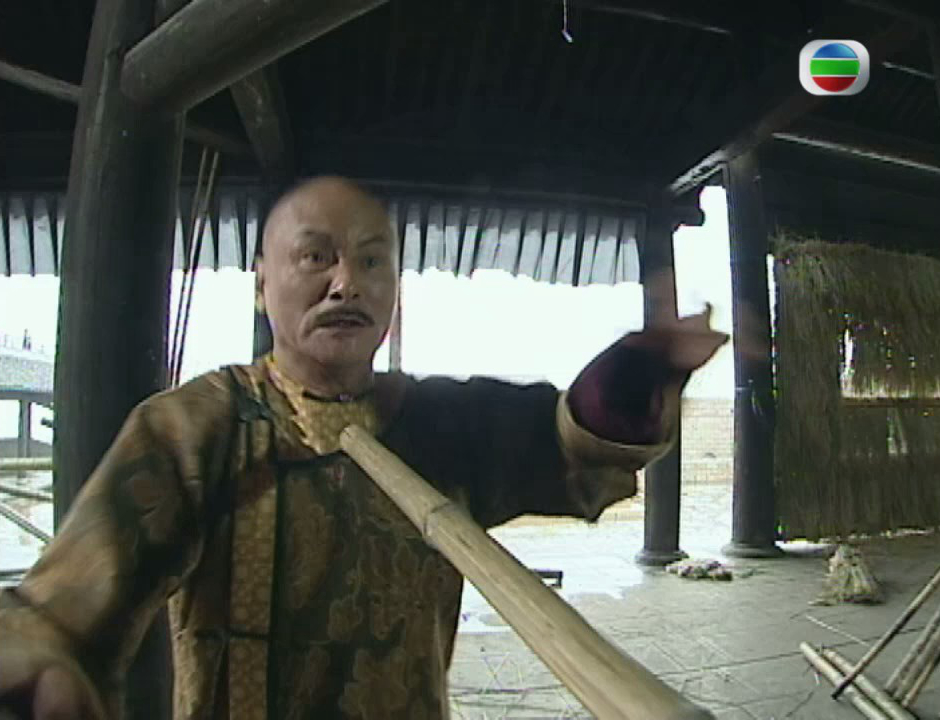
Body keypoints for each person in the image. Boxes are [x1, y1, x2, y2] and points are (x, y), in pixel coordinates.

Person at [0, 177, 727, 720]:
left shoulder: (442, 421)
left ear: (395, 291)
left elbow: (568, 442)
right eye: (315, 256)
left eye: (373, 262)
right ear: (261, 285)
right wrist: (40, 659)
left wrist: (637, 372)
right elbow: (64, 610)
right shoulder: (196, 426)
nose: (346, 282)